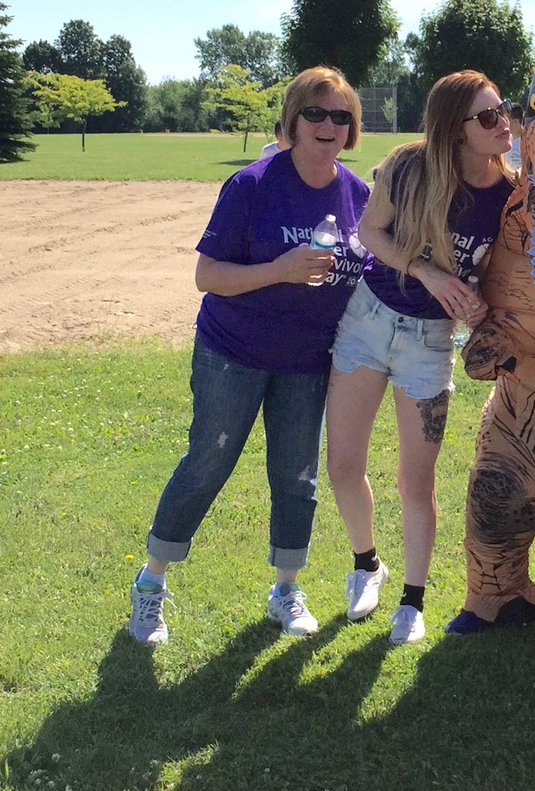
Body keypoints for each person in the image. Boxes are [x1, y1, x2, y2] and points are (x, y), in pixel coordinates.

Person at [128, 67, 370, 646]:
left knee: (296, 476)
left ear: (353, 129)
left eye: (341, 116)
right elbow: (206, 276)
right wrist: (279, 271)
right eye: (315, 112)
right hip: (232, 352)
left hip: (308, 362)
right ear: (291, 119)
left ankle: (286, 589)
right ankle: (151, 583)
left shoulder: (358, 194)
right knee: (208, 461)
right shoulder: (253, 184)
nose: (327, 125)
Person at [325, 71, 515, 645]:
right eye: (487, 117)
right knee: (342, 465)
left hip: (430, 343)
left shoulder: (511, 194)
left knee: (417, 479)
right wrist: (429, 271)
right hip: (368, 322)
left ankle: (413, 599)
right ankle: (366, 563)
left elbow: (508, 274)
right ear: (454, 131)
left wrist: (481, 305)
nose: (503, 122)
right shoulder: (409, 166)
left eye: (504, 110)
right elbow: (371, 232)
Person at [505, 102, 523, 171]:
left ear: (515, 121)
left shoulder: (530, 141)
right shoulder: (505, 140)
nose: (504, 123)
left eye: (507, 120)